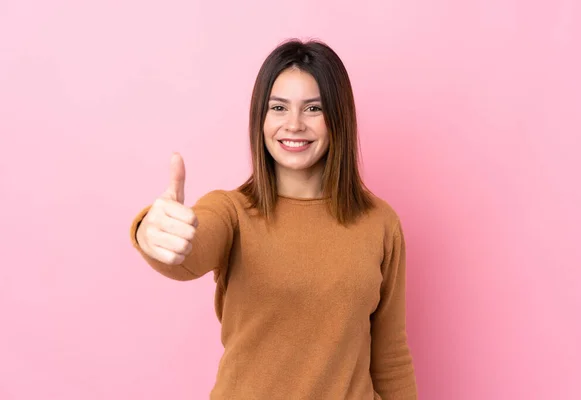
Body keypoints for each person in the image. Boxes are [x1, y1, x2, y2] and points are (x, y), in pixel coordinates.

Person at [129, 38, 418, 399]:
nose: (294, 124)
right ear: (260, 118)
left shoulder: (380, 224)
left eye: (313, 109)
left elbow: (390, 357)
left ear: (338, 118)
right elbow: (188, 252)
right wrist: (150, 232)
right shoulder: (231, 212)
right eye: (278, 108)